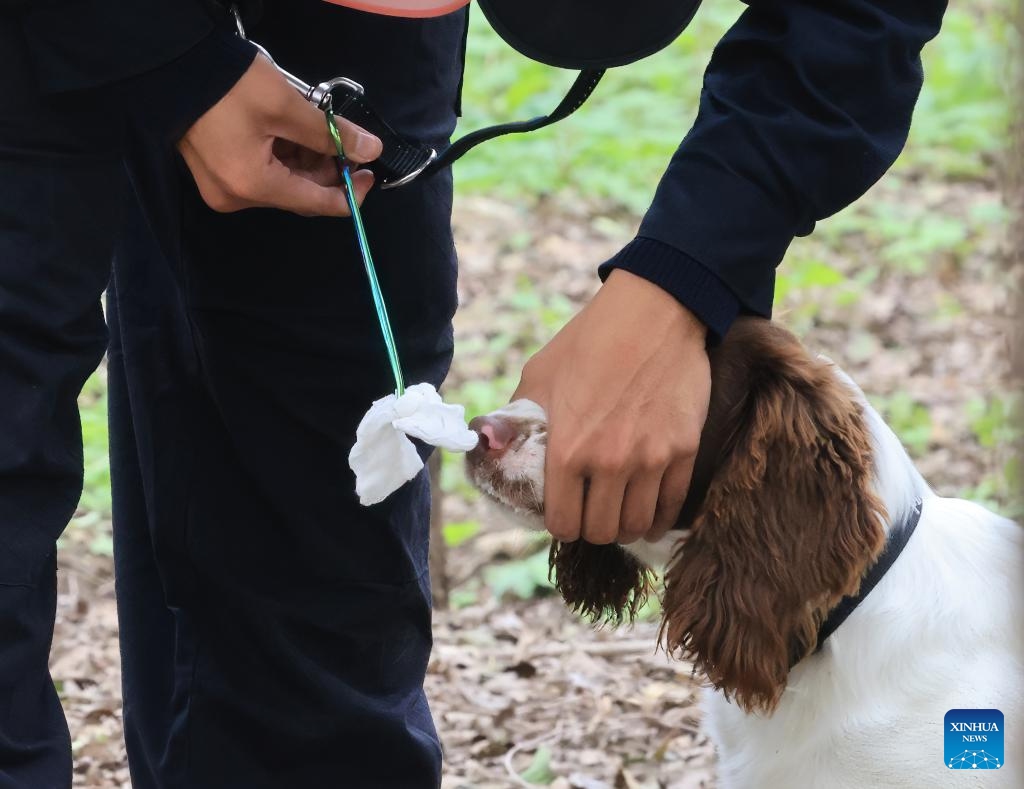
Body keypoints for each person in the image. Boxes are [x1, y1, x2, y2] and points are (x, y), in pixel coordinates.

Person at [0, 0, 946, 787]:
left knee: (319, 542)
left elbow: (856, 19)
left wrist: (686, 277)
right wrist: (169, 52)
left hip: (355, 24)